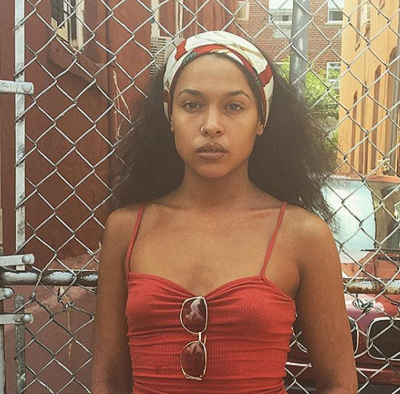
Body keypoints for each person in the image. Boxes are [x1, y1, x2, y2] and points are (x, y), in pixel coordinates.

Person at [91, 30, 357, 394]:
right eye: (192, 105)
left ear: (261, 120)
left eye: (234, 106)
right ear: (170, 117)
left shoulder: (303, 235)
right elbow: (108, 376)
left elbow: (339, 382)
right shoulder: (127, 229)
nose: (211, 125)